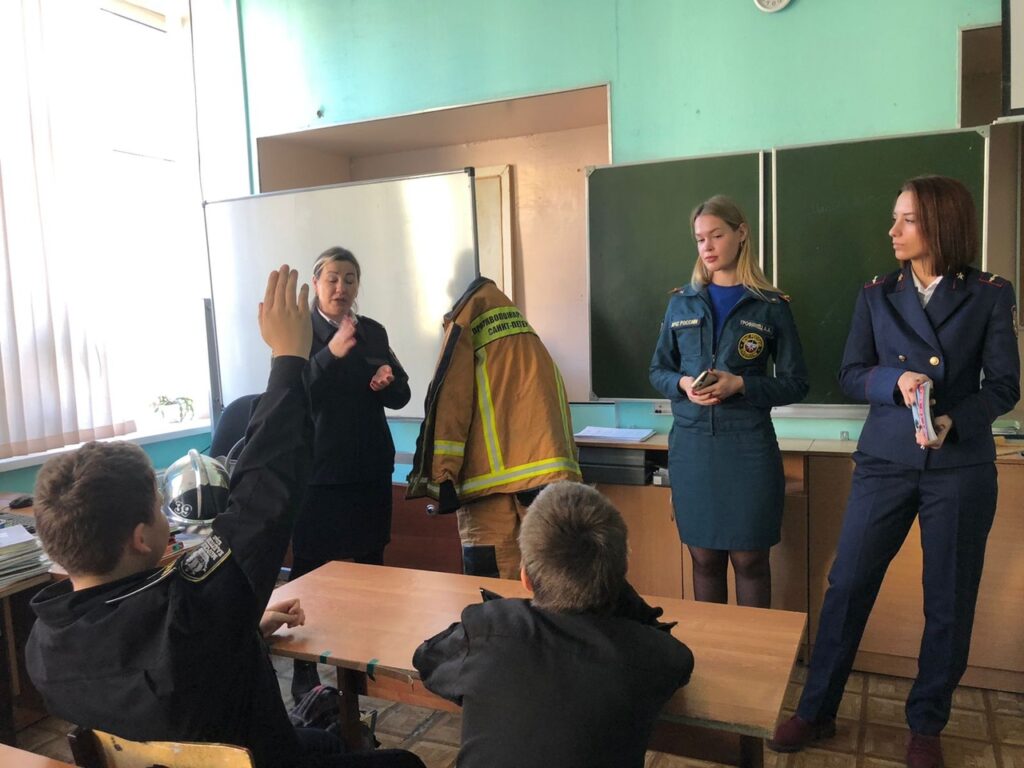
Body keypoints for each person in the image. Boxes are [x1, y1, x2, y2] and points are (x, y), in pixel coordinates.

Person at [26, 266, 424, 768]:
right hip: (259, 758)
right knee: (405, 764)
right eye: (159, 507)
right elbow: (263, 495)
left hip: (181, 752)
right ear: (141, 538)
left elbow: (163, 662)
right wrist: (288, 359)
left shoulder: (44, 646)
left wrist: (245, 630)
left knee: (327, 743)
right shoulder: (196, 610)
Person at [769, 176, 1020, 768]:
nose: (893, 231)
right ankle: (816, 708)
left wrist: (954, 419)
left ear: (940, 223)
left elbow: (1005, 386)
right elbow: (851, 372)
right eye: (895, 218)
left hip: (958, 465)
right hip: (885, 459)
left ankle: (926, 725)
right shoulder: (877, 293)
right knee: (848, 584)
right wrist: (894, 380)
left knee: (948, 600)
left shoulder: (989, 293)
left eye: (906, 219)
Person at [413, 481, 695, 768]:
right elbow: (680, 661)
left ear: (525, 578)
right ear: (622, 570)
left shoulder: (488, 628)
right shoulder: (651, 654)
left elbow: (427, 660)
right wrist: (616, 590)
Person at [649, 195, 808, 608]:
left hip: (747, 446)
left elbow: (796, 384)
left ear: (741, 234)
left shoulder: (771, 306)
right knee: (703, 558)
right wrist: (683, 384)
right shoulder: (681, 302)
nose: (707, 246)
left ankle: (755, 650)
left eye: (716, 235)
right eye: (700, 239)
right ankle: (711, 646)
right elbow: (657, 371)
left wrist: (741, 385)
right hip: (693, 447)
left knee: (750, 559)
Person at [290, 246, 411, 699]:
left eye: (350, 279)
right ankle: (304, 673)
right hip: (319, 476)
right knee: (310, 573)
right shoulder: (298, 332)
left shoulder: (372, 331)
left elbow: (401, 394)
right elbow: (291, 394)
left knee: (371, 570)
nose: (342, 288)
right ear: (317, 283)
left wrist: (388, 382)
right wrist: (329, 354)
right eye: (333, 278)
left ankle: (361, 665)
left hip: (369, 470)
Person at [406, 276, 581, 580]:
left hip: (489, 486)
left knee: (493, 582)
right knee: (556, 577)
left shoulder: (464, 326)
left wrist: (442, 474)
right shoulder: (527, 336)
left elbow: (450, 402)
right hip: (551, 481)